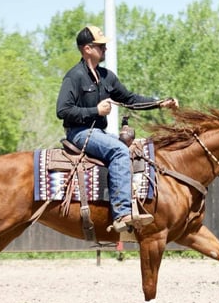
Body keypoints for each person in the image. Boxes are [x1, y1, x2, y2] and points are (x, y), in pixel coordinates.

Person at [56, 25, 177, 232]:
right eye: (100, 46)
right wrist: (95, 110)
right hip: (80, 133)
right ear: (87, 49)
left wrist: (159, 103)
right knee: (120, 150)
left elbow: (130, 99)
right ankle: (121, 213)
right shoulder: (74, 76)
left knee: (136, 149)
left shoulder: (106, 76)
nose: (105, 49)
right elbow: (62, 110)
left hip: (98, 133)